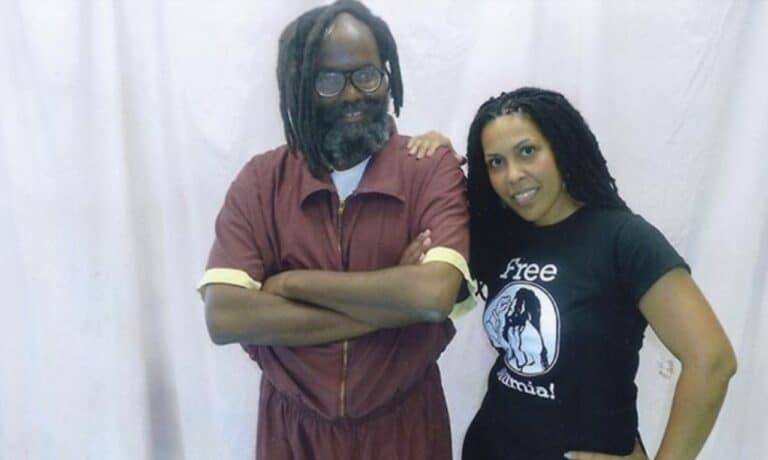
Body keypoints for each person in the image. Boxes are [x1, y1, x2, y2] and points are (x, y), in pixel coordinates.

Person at [197, 1, 472, 459]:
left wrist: (292, 284)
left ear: (388, 76)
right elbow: (224, 317)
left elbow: (432, 296)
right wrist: (393, 304)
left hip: (404, 427)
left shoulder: (429, 169)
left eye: (367, 75)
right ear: (300, 87)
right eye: (328, 81)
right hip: (292, 431)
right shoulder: (262, 182)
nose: (352, 95)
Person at [408, 87, 736, 459]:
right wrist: (440, 162)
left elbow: (712, 361)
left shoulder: (623, 239)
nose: (512, 175)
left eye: (527, 152)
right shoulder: (502, 235)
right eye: (496, 162)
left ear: (562, 148)